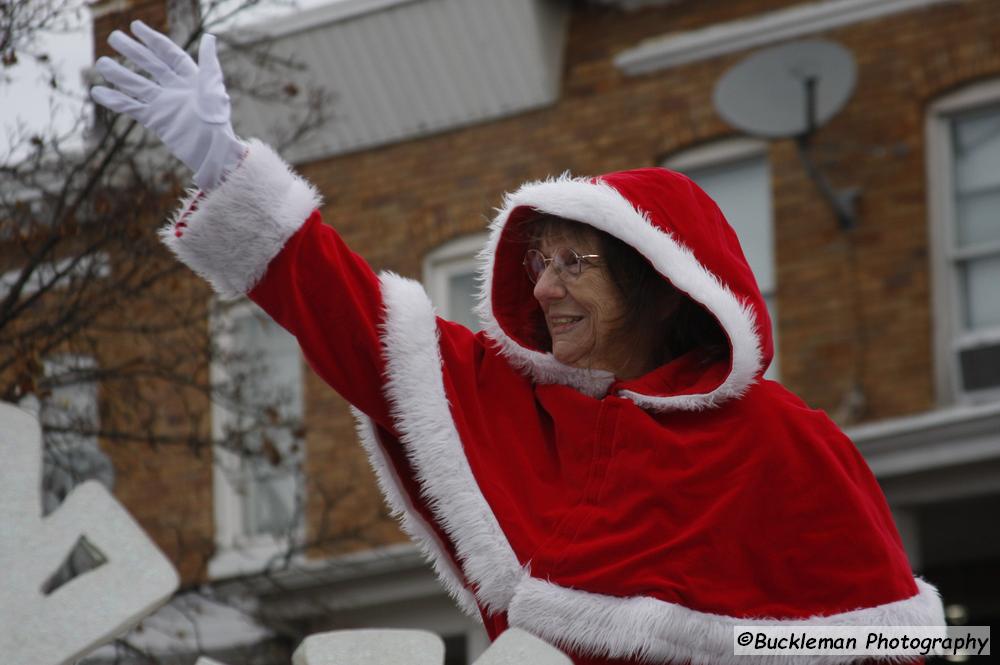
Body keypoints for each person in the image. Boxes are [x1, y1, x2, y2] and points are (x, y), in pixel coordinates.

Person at [92, 23, 944, 664]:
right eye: (537, 262)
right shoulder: (518, 405)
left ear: (656, 277)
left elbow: (898, 645)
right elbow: (352, 316)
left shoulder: (783, 440)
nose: (542, 288)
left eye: (574, 261)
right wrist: (220, 159)